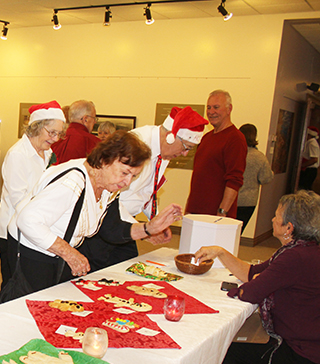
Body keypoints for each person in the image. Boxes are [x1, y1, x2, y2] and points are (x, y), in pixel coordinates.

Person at [195, 191, 320, 364]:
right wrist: (220, 252)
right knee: (253, 332)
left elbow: (249, 291)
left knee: (231, 348)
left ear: (289, 227)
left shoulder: (294, 258)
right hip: (309, 339)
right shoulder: (303, 250)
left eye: (276, 216)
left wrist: (234, 290)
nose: (272, 219)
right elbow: (251, 272)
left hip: (306, 352)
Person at [7, 131, 182, 294]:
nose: (127, 182)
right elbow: (28, 221)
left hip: (56, 253)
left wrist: (149, 228)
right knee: (28, 308)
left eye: (133, 176)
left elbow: (111, 229)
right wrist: (69, 253)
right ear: (105, 161)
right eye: (125, 173)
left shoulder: (107, 186)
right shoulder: (72, 182)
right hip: (32, 251)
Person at [77, 106, 208, 271]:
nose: (185, 154)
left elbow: (147, 191)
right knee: (95, 276)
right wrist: (145, 230)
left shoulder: (164, 152)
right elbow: (111, 196)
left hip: (127, 221)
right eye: (186, 147)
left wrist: (157, 221)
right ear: (170, 137)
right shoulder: (135, 144)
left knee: (128, 271)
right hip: (104, 222)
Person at [0, 101, 65, 288]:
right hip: (14, 231)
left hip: (35, 228)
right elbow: (20, 200)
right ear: (36, 127)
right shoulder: (18, 155)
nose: (56, 138)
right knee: (14, 284)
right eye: (52, 132)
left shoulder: (47, 153)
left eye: (59, 133)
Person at [185, 90, 247, 218]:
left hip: (216, 216)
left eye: (216, 107)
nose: (211, 112)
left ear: (229, 109)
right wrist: (189, 208)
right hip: (196, 212)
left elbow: (234, 180)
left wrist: (222, 212)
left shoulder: (235, 139)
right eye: (208, 107)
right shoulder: (206, 138)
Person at [237, 123, 274, 232]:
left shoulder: (233, 152)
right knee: (239, 231)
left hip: (229, 198)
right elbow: (266, 178)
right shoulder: (259, 157)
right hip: (247, 201)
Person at [51, 100, 100, 165]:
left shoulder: (53, 140)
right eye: (94, 118)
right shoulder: (94, 143)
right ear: (85, 119)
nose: (95, 122)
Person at [299, 126, 319, 192]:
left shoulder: (312, 143)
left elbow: (314, 159)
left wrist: (302, 165)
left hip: (309, 170)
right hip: (308, 170)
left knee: (304, 189)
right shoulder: (309, 143)